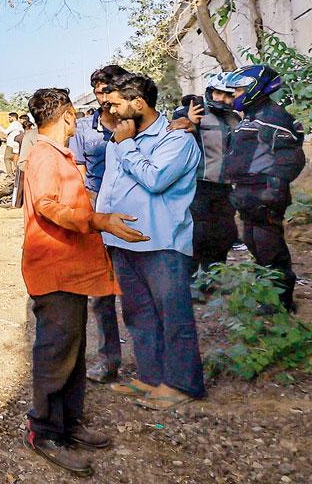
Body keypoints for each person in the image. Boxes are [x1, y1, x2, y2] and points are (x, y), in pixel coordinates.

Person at [21, 88, 148, 477]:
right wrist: (97, 219)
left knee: (72, 355)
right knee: (56, 354)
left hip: (69, 268)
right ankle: (43, 432)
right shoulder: (44, 154)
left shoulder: (58, 153)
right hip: (53, 268)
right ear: (69, 116)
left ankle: (69, 424)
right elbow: (46, 205)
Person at [97, 73, 205, 410]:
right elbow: (111, 186)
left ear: (138, 104)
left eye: (115, 103)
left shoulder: (177, 140)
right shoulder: (120, 137)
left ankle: (183, 384)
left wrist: (126, 145)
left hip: (161, 243)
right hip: (124, 242)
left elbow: (155, 179)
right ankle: (150, 377)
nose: (108, 108)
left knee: (173, 316)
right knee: (138, 315)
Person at [222, 65, 307, 311]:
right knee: (253, 243)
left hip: (265, 195)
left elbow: (291, 156)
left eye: (239, 89)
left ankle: (281, 302)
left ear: (255, 87)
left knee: (270, 247)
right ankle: (266, 293)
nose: (234, 94)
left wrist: (274, 186)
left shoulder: (273, 116)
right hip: (248, 194)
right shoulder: (251, 116)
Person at [69, 64, 129, 383]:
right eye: (96, 89)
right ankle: (109, 359)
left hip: (134, 212)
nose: (99, 95)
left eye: (106, 89)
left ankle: (153, 359)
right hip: (98, 212)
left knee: (137, 290)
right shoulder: (83, 129)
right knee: (102, 292)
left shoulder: (138, 122)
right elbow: (79, 174)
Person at [169, 75, 242, 288]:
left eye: (228, 95)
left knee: (224, 234)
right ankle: (190, 282)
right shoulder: (194, 112)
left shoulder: (234, 119)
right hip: (197, 185)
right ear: (210, 92)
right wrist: (189, 120)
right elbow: (173, 129)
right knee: (196, 234)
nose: (223, 99)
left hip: (225, 187)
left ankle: (212, 278)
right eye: (218, 93)